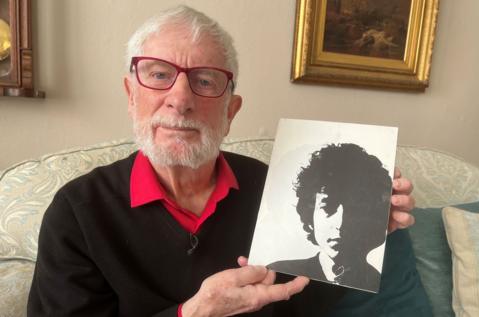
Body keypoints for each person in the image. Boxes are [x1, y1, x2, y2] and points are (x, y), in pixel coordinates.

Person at [27, 5, 415, 317]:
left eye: (205, 80)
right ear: (131, 96)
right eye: (159, 75)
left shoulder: (273, 186)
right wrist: (193, 314)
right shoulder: (76, 212)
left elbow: (304, 303)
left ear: (231, 110)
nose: (180, 99)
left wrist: (362, 234)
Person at [268, 143, 392, 292]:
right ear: (310, 214)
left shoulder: (380, 282)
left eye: (353, 210)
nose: (339, 224)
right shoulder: (276, 272)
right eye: (328, 207)